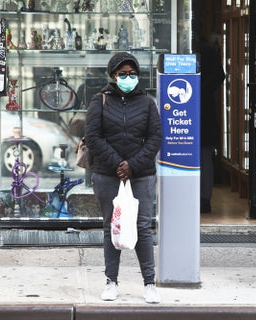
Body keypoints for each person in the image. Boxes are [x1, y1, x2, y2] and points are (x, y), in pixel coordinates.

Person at [84, 52, 162, 304]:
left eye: (132, 74)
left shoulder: (148, 103)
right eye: (123, 74)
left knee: (142, 227)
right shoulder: (100, 100)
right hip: (107, 173)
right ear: (113, 76)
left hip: (141, 174)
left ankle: (149, 283)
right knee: (112, 226)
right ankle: (111, 281)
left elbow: (154, 139)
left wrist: (133, 165)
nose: (128, 78)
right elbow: (93, 137)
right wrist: (119, 164)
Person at [199, 38, 225, 213]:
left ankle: (203, 198)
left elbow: (219, 75)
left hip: (203, 111)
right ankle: (204, 199)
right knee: (204, 156)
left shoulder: (204, 49)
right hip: (205, 109)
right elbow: (220, 75)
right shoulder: (206, 49)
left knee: (203, 155)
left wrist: (200, 88)